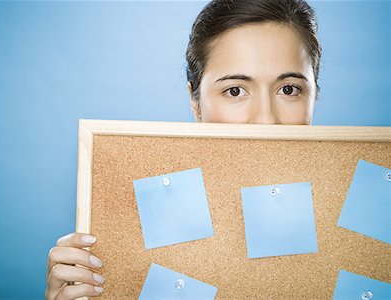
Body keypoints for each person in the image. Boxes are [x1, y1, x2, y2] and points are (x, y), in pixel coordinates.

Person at [45, 0, 322, 298]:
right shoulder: (134, 225)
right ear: (195, 101)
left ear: (314, 93)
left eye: (289, 89)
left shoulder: (353, 214)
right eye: (235, 91)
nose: (266, 120)